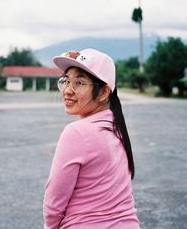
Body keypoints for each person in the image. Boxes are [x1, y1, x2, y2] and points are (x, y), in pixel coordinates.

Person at [43, 48, 140, 229]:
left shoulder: (76, 133)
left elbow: (54, 202)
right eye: (66, 81)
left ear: (103, 92)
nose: (67, 90)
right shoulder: (116, 127)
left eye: (79, 82)